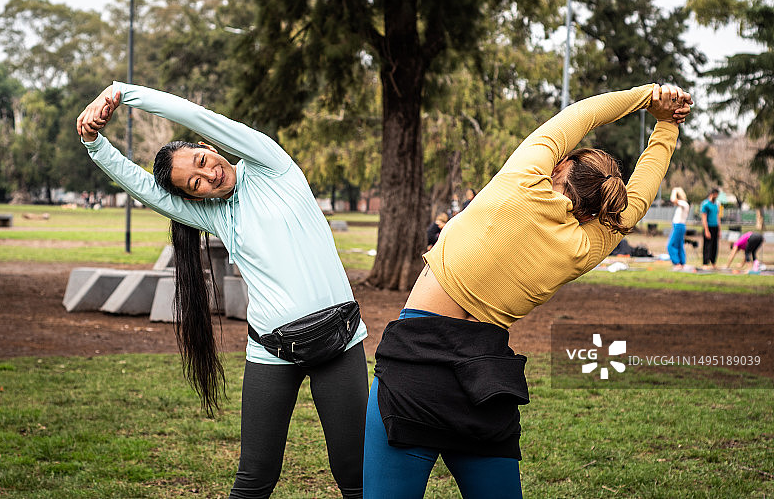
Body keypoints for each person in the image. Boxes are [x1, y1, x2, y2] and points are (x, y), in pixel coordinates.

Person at [363, 84, 692, 499]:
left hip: (417, 363)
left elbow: (583, 115)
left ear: (562, 165)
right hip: (483, 379)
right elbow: (640, 197)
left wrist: (650, 97)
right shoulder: (584, 246)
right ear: (598, 208)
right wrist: (666, 127)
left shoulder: (523, 181)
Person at [76, 82, 368, 499]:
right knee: (253, 479)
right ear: (192, 198)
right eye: (195, 184)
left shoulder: (269, 166)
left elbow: (199, 116)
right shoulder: (217, 217)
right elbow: (144, 188)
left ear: (205, 146)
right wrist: (94, 144)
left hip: (339, 342)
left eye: (201, 159)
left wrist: (120, 93)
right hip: (271, 349)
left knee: (354, 476)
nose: (208, 174)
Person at [666, 187, 689, 270]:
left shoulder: (684, 203)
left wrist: (674, 191)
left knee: (670, 245)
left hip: (679, 226)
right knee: (679, 245)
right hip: (678, 226)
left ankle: (677, 263)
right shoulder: (682, 204)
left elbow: (673, 200)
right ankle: (682, 263)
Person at [700, 188, 721, 269]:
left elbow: (717, 217)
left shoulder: (716, 204)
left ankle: (713, 262)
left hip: (715, 227)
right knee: (707, 246)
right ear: (712, 194)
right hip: (708, 227)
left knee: (714, 246)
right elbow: (704, 218)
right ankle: (705, 263)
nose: (717, 196)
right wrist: (706, 230)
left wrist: (719, 230)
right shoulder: (705, 204)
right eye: (716, 194)